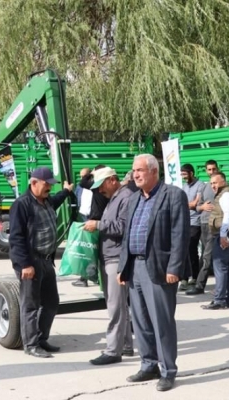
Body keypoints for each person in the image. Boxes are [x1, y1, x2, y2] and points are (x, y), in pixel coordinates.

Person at [118, 154, 189, 392]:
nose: (135, 174)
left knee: (162, 322)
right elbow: (127, 235)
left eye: (139, 170)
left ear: (154, 171)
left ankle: (168, 371)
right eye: (134, 170)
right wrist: (123, 267)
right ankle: (148, 365)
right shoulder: (134, 198)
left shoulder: (173, 195)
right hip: (135, 268)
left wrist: (174, 268)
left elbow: (180, 234)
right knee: (140, 321)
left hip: (159, 268)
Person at [9, 167, 73, 358]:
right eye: (46, 184)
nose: (49, 188)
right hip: (31, 261)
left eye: (51, 185)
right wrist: (25, 264)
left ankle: (41, 338)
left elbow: (57, 199)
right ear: (34, 183)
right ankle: (31, 345)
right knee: (30, 305)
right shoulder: (22, 204)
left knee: (51, 302)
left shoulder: (46, 201)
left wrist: (66, 191)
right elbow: (16, 238)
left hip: (46, 260)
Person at [83, 167, 136, 365]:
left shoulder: (125, 197)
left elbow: (123, 227)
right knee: (119, 305)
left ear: (112, 180)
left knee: (115, 306)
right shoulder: (115, 198)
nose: (99, 191)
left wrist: (98, 225)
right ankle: (125, 345)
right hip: (111, 256)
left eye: (101, 186)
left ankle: (113, 350)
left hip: (116, 258)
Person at [203, 172, 229, 310]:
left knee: (220, 267)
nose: (213, 186)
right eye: (211, 183)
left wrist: (223, 235)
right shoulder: (224, 193)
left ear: (223, 181)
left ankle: (219, 300)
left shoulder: (226, 195)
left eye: (215, 182)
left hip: (225, 235)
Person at [185, 159, 218, 295]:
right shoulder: (205, 186)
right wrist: (202, 207)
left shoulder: (223, 187)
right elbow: (197, 206)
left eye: (214, 169)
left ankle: (200, 285)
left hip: (214, 224)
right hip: (203, 223)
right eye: (209, 169)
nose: (211, 172)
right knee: (207, 255)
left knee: (207, 256)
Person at [74, 164, 109, 287]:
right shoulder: (107, 188)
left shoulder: (97, 186)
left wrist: (91, 174)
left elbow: (83, 183)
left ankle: (86, 277)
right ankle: (92, 278)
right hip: (98, 219)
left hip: (95, 221)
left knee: (90, 251)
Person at [179, 164, 204, 290]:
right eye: (182, 174)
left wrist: (185, 204)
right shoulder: (184, 186)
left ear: (191, 173)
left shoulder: (200, 185)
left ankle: (194, 277)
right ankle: (184, 278)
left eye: (185, 174)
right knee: (183, 250)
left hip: (196, 222)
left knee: (191, 249)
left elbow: (195, 204)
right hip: (185, 221)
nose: (183, 177)